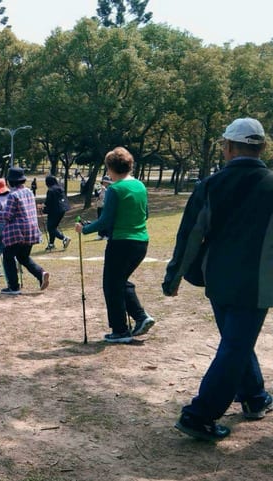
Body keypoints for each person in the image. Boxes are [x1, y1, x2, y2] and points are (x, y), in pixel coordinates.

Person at [163, 117, 273, 442]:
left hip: (218, 280)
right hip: (257, 283)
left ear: (226, 148)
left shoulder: (209, 185)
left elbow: (189, 236)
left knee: (235, 343)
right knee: (235, 346)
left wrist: (173, 278)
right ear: (262, 148)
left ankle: (255, 397)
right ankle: (199, 415)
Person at [75, 147, 153, 344]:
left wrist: (84, 229)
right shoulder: (140, 186)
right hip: (141, 241)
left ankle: (120, 330)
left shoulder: (114, 190)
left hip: (121, 243)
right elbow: (146, 214)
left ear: (110, 168)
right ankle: (141, 317)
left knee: (111, 286)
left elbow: (105, 221)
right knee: (119, 281)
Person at [0, 167, 49, 295]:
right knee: (23, 257)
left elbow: (7, 216)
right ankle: (41, 274)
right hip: (32, 230)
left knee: (8, 257)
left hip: (17, 231)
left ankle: (13, 287)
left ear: (10, 181)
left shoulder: (13, 195)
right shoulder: (29, 192)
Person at [42, 175, 71, 251]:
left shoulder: (51, 190)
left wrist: (43, 208)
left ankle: (64, 238)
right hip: (62, 210)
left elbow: (48, 202)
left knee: (50, 228)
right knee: (53, 227)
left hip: (54, 211)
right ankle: (51, 244)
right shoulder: (60, 188)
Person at [94, 176, 112, 240]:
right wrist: (96, 190)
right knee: (100, 220)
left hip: (106, 207)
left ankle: (107, 235)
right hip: (100, 206)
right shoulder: (101, 188)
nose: (104, 184)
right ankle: (100, 234)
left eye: (106, 182)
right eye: (103, 182)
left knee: (106, 221)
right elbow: (97, 195)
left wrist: (104, 190)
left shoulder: (110, 189)